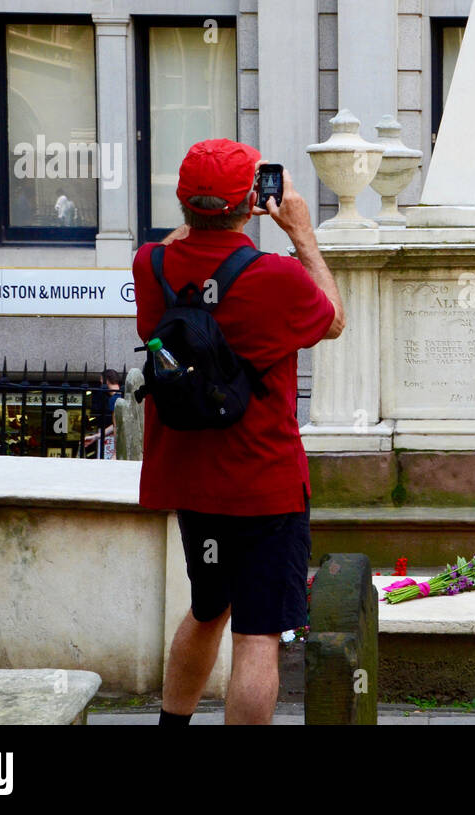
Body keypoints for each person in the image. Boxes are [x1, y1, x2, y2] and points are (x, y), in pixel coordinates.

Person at [132, 138, 344, 725]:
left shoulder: (149, 265)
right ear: (254, 200)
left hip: (192, 481)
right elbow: (334, 317)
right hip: (263, 485)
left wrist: (199, 221)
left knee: (207, 610)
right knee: (258, 635)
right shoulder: (275, 276)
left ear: (183, 202)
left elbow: (178, 246)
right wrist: (301, 234)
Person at [83, 369, 123, 459]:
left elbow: (116, 427)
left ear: (107, 381)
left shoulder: (114, 399)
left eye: (101, 382)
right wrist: (96, 437)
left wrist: (116, 453)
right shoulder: (123, 395)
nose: (101, 385)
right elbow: (116, 425)